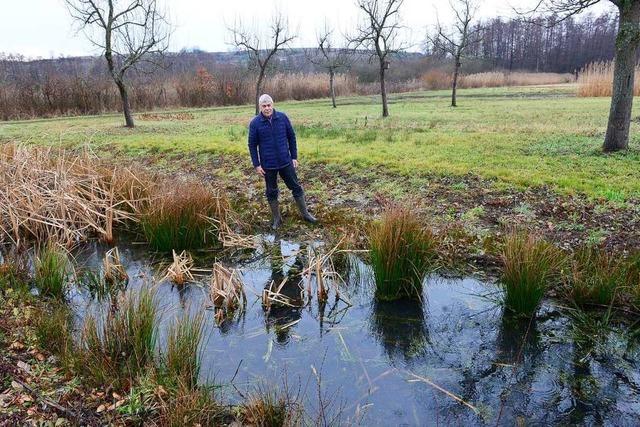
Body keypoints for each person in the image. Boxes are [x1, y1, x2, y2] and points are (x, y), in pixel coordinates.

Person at [248, 94, 317, 229]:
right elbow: (252, 145)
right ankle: (277, 219)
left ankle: (306, 214)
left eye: (269, 105)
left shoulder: (282, 118)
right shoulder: (255, 123)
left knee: (296, 188)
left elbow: (291, 137)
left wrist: (294, 157)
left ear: (272, 105)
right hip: (268, 165)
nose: (267, 108)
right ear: (260, 106)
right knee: (271, 192)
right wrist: (257, 165)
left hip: (286, 162)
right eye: (264, 106)